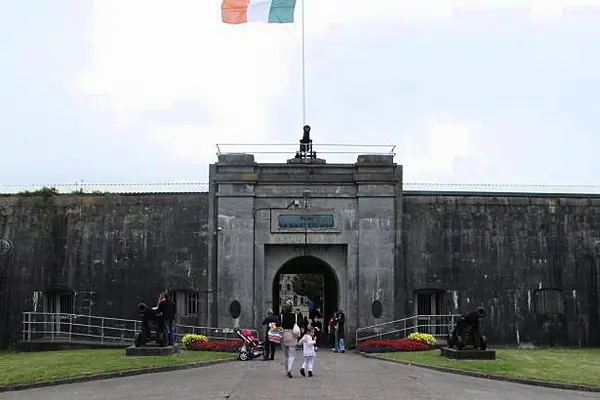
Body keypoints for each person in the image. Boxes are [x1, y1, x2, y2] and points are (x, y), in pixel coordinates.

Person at [278, 300, 300, 378]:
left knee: (285, 355)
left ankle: (287, 369)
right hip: (293, 335)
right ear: (292, 307)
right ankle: (290, 368)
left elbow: (278, 325)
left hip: (284, 335)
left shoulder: (281, 316)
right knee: (292, 355)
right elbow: (300, 325)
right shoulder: (295, 316)